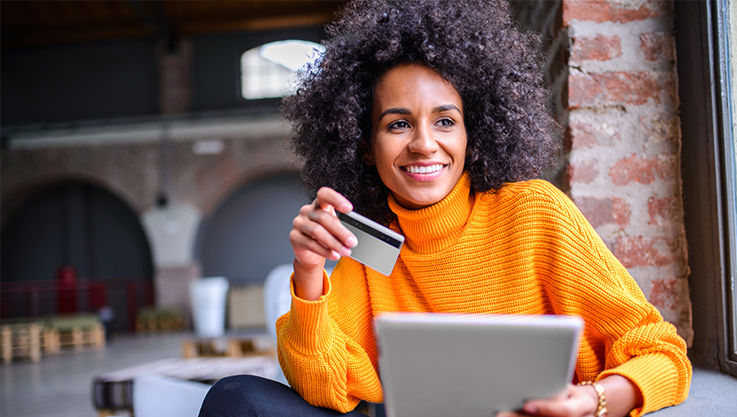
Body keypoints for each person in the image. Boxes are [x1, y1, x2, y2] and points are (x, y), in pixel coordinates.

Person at [199, 1, 692, 416]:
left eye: (445, 120)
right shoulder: (369, 242)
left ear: (472, 131)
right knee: (236, 398)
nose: (424, 144)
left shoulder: (534, 214)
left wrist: (591, 400)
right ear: (363, 143)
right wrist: (308, 273)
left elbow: (663, 353)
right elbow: (321, 385)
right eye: (397, 125)